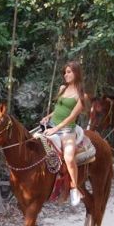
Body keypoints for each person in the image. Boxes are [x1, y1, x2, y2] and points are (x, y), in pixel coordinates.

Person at [40, 61, 87, 207]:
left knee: (68, 156)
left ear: (76, 73)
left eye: (69, 72)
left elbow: (71, 116)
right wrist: (48, 117)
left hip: (67, 130)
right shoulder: (62, 88)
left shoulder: (81, 95)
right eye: (65, 72)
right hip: (52, 125)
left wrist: (56, 129)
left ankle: (75, 189)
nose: (66, 75)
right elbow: (58, 108)